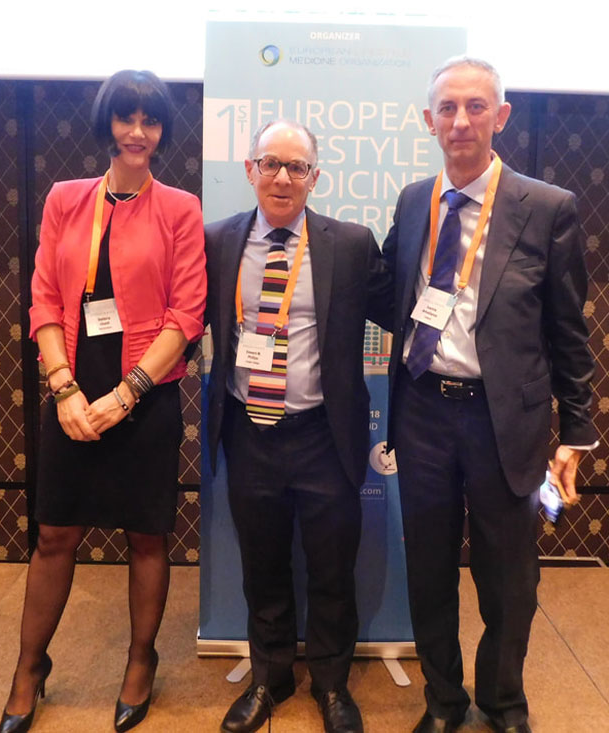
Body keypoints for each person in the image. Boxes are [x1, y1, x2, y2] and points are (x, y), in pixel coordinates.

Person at [382, 57, 598, 733]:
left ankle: (503, 701)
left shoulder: (548, 208)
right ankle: (443, 701)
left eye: (476, 107)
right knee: (428, 568)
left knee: (509, 577)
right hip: (422, 411)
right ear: (429, 121)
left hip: (504, 419)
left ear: (501, 116)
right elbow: (389, 293)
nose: (461, 121)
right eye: (447, 108)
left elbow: (568, 328)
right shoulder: (414, 201)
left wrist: (577, 430)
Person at [0, 69, 206, 733]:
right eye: (126, 117)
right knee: (54, 533)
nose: (137, 132)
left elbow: (186, 314)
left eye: (150, 120)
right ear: (107, 123)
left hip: (144, 395)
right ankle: (29, 666)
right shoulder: (66, 198)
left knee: (147, 535)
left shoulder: (180, 209)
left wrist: (127, 394)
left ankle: (141, 660)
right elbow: (43, 297)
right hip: (71, 388)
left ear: (163, 129)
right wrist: (63, 388)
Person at [204, 120, 392, 733]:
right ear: (250, 170)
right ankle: (271, 677)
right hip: (251, 433)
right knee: (263, 565)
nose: (283, 178)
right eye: (271, 163)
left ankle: (332, 684)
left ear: (315, 177)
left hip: (324, 436)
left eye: (297, 167)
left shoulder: (351, 244)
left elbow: (403, 308)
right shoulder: (217, 241)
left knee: (332, 567)